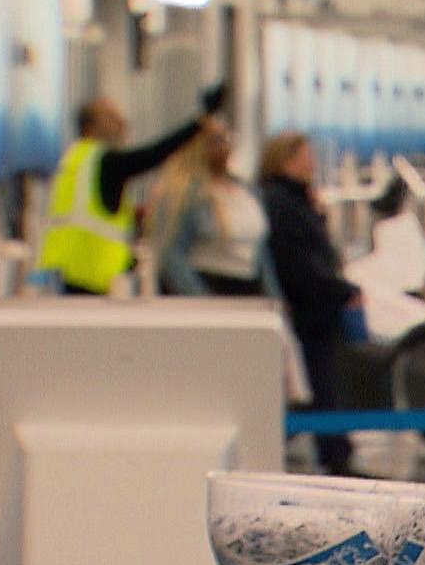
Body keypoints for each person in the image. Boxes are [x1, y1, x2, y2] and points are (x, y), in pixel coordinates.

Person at [37, 87, 225, 294]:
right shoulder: (104, 161)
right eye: (110, 116)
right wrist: (200, 121)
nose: (121, 120)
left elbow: (95, 213)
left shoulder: (75, 160)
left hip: (69, 273)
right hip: (89, 278)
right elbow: (153, 154)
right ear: (89, 127)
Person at [260, 132, 363, 477]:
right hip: (306, 307)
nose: (312, 163)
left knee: (322, 382)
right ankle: (334, 454)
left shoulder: (300, 200)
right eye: (305, 156)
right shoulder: (281, 203)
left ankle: (335, 450)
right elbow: (299, 262)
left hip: (317, 304)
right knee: (316, 382)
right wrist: (340, 289)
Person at [146, 125, 280, 298]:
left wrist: (274, 297)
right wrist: (202, 300)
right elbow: (171, 255)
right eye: (216, 142)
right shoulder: (183, 193)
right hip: (207, 284)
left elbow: (261, 254)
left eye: (227, 140)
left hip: (249, 287)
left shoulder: (248, 191)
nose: (225, 148)